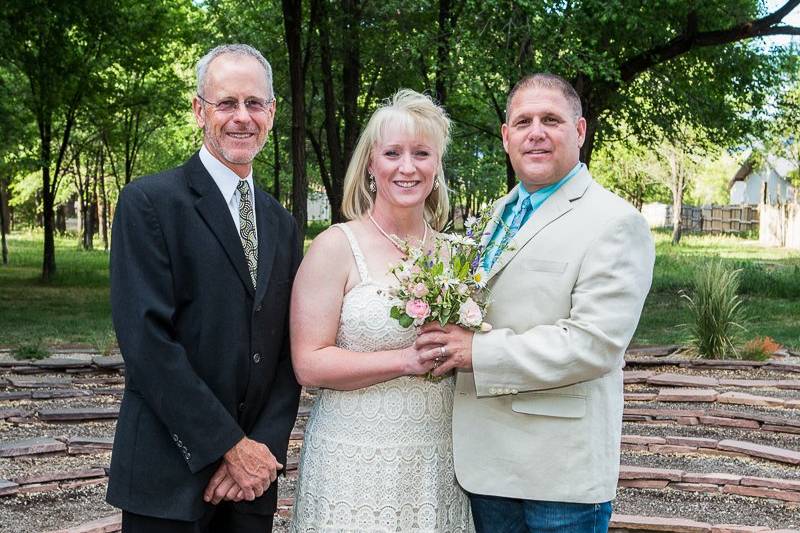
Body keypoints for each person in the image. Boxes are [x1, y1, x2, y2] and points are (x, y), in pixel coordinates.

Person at [415, 73, 655, 532]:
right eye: (523, 121)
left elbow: (594, 344)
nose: (536, 132)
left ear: (580, 131)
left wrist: (475, 352)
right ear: (506, 137)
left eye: (551, 120)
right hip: (487, 465)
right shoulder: (495, 217)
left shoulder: (615, 222)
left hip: (558, 475)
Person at [107, 44, 302, 533]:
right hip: (169, 478)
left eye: (254, 103)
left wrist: (261, 451)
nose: (242, 117)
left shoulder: (283, 224)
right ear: (199, 110)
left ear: (272, 113)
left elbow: (286, 353)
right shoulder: (149, 203)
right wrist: (227, 447)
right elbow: (147, 344)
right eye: (226, 103)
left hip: (251, 487)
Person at [289, 89, 473, 532]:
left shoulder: (459, 255)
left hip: (436, 460)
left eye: (421, 153)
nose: (407, 167)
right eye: (393, 153)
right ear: (371, 164)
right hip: (353, 460)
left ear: (436, 165)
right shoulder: (336, 246)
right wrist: (406, 361)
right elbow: (308, 363)